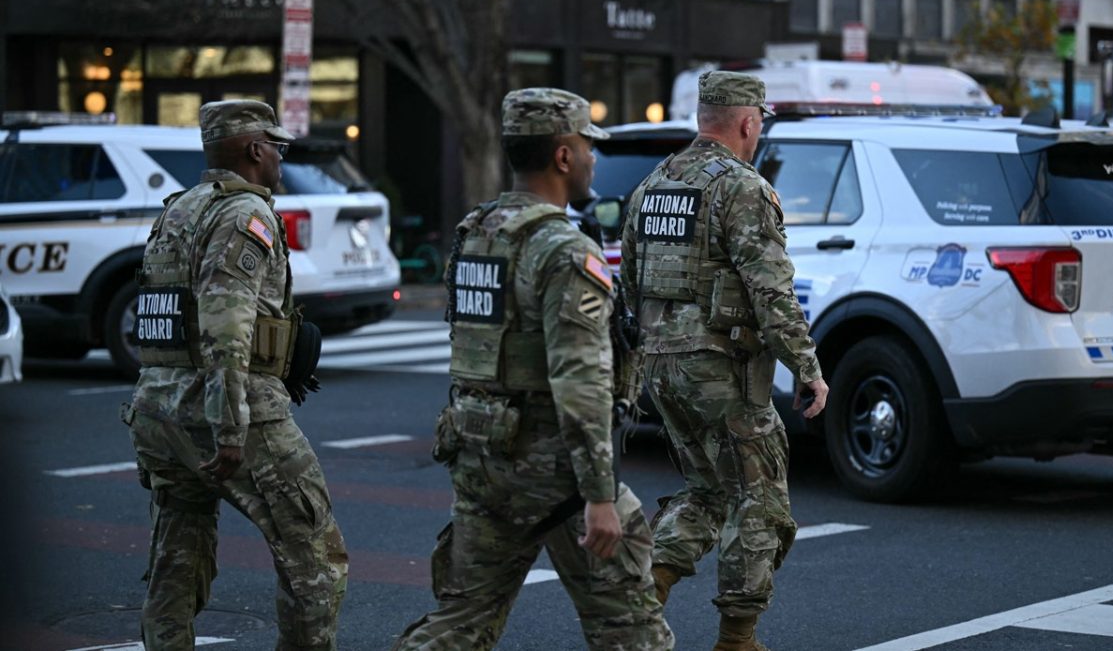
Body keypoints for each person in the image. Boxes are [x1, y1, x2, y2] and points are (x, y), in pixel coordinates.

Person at [395, 88, 673, 651]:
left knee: (463, 621)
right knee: (632, 631)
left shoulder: (475, 234)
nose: (594, 159)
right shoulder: (563, 251)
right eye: (587, 147)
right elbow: (581, 380)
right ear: (564, 156)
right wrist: (600, 495)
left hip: (481, 455)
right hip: (556, 473)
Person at [121, 100, 347, 650]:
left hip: (158, 406)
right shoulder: (247, 213)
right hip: (230, 407)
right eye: (278, 148)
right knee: (314, 556)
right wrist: (229, 425)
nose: (280, 158)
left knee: (177, 560)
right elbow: (226, 326)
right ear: (254, 150)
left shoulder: (179, 208)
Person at [620, 71, 829, 651]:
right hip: (719, 368)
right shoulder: (742, 187)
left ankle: (643, 597)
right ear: (748, 121)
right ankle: (737, 639)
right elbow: (771, 291)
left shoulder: (653, 185)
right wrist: (807, 369)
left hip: (661, 367)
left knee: (709, 492)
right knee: (759, 501)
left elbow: (629, 285)